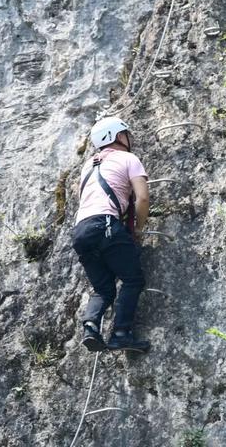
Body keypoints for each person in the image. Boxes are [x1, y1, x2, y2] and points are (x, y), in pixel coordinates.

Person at [72, 116, 151, 353]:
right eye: (126, 133)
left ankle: (91, 327)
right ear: (117, 136)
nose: (130, 138)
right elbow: (143, 198)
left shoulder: (88, 165)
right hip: (106, 224)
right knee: (132, 279)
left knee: (104, 289)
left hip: (81, 231)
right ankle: (120, 334)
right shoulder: (129, 158)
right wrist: (138, 228)